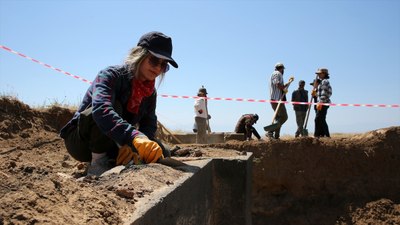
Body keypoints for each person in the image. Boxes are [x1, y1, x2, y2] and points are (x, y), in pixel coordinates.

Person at [59, 31, 179, 176]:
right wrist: (134, 137)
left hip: (115, 140)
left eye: (164, 65)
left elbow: (149, 123)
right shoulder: (110, 75)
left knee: (160, 150)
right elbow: (101, 110)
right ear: (139, 55)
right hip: (81, 142)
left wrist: (134, 148)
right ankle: (98, 163)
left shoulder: (150, 92)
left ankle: (115, 159)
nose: (158, 68)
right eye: (154, 60)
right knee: (113, 107)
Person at [267, 62, 289, 140]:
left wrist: (286, 84)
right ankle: (270, 131)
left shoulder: (277, 74)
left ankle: (276, 136)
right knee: (284, 117)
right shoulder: (276, 73)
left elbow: (279, 85)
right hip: (276, 100)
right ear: (282, 68)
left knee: (279, 118)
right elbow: (277, 84)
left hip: (276, 99)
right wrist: (283, 88)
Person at [312, 68, 332, 138]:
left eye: (319, 74)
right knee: (321, 119)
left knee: (318, 119)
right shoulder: (323, 82)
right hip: (322, 102)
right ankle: (324, 135)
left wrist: (320, 102)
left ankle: (318, 135)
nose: (318, 75)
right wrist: (316, 94)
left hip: (323, 103)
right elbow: (322, 94)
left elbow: (324, 93)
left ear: (324, 74)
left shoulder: (324, 82)